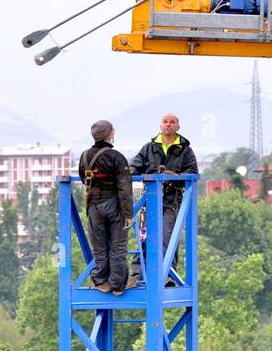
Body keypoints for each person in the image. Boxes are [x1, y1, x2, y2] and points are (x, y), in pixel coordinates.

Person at [129, 113, 198, 283]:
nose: (168, 125)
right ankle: (137, 276)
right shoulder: (149, 148)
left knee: (167, 238)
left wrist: (174, 176)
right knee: (144, 238)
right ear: (160, 126)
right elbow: (135, 167)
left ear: (178, 127)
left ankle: (167, 275)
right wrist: (127, 174)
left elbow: (192, 172)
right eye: (165, 122)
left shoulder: (185, 151)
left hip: (171, 202)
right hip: (149, 203)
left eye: (172, 122)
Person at [79, 119, 137, 295]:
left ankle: (101, 282)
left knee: (99, 245)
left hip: (94, 204)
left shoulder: (84, 156)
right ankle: (118, 285)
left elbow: (84, 179)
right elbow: (125, 188)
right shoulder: (116, 157)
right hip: (114, 204)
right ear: (109, 134)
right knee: (118, 245)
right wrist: (128, 214)